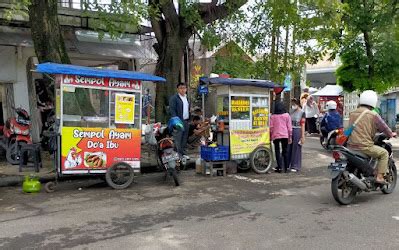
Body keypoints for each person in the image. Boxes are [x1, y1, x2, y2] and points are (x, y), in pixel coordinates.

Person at [347, 90, 396, 184]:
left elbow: (350, 129)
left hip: (350, 146)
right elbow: (384, 127)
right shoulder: (373, 115)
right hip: (364, 146)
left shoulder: (352, 113)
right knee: (384, 153)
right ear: (373, 101)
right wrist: (391, 134)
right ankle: (380, 177)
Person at [169, 82, 190, 158]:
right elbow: (172, 110)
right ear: (177, 89)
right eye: (181, 88)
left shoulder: (187, 98)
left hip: (186, 120)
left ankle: (183, 153)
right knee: (178, 138)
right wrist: (176, 121)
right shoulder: (174, 98)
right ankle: (178, 155)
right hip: (178, 121)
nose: (183, 90)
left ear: (186, 89)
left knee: (184, 138)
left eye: (184, 88)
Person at [270, 102, 292, 173]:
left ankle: (279, 167)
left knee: (277, 151)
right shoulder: (287, 115)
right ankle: (286, 168)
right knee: (285, 151)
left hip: (276, 135)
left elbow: (271, 127)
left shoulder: (272, 116)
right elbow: (289, 127)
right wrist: (290, 136)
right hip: (285, 135)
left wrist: (270, 136)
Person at [288, 98, 306, 172]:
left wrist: (302, 136)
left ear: (298, 104)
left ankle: (295, 166)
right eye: (292, 103)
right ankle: (287, 164)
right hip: (289, 130)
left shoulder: (302, 113)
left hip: (297, 130)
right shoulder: (290, 111)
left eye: (294, 103)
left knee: (296, 148)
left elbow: (303, 125)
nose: (293, 105)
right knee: (288, 148)